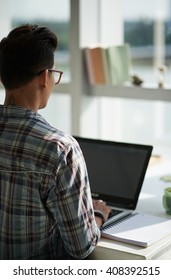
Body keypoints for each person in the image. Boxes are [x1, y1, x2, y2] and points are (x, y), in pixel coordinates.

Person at [0, 24, 111, 260]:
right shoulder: (59, 149)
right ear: (44, 77)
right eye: (54, 74)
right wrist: (97, 215)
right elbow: (81, 248)